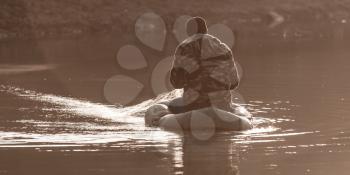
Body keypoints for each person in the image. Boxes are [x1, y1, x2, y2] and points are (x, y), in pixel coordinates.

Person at [167, 16, 240, 114]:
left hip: (194, 105)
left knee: (172, 105)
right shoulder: (224, 48)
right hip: (222, 105)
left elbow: (176, 83)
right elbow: (234, 83)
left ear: (188, 33)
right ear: (206, 30)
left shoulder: (183, 48)